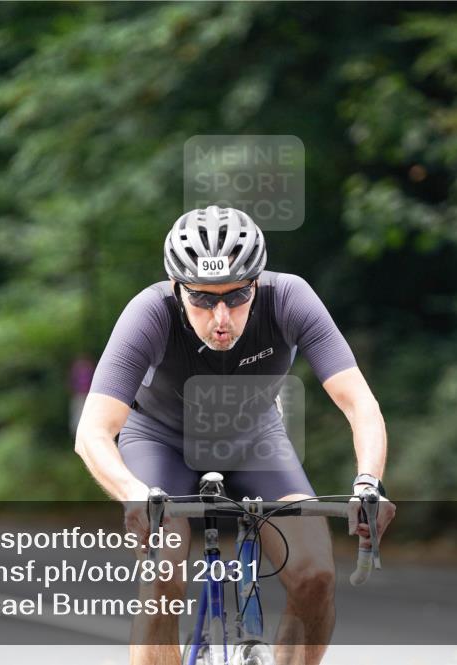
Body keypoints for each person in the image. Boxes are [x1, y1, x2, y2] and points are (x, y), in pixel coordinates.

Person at [75, 205, 395, 665]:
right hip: (161, 441)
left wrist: (368, 482)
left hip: (253, 439)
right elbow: (93, 430)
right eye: (203, 299)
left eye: (238, 295)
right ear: (177, 287)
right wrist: (132, 493)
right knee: (163, 573)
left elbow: (359, 402)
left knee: (315, 575)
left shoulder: (290, 299)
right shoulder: (149, 313)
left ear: (257, 283)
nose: (221, 316)